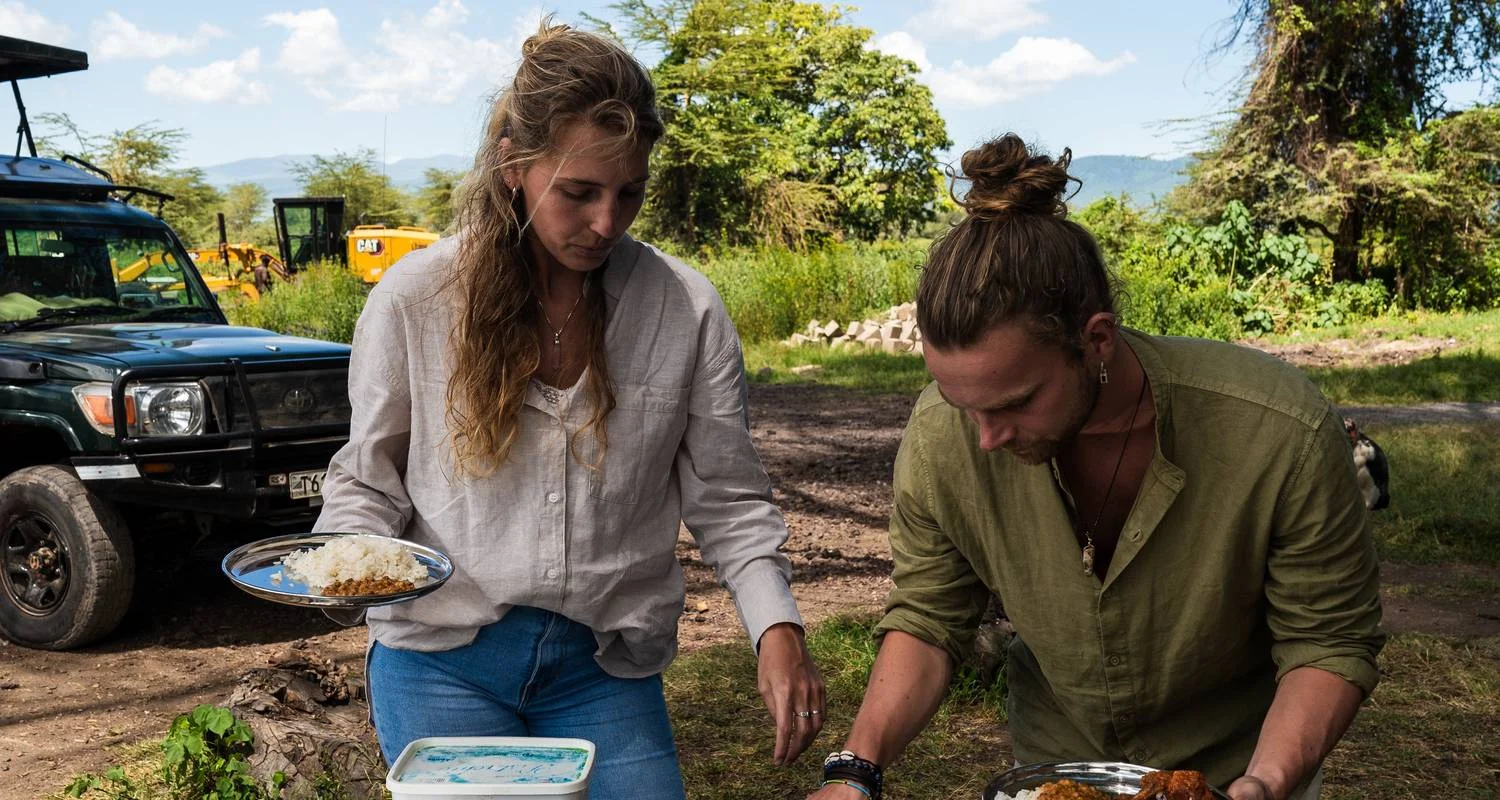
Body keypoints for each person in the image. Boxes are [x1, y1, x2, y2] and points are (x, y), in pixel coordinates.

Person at [313, 22, 824, 797]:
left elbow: (729, 499)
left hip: (602, 672)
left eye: (630, 194)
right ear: (514, 166)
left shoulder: (685, 310)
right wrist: (343, 566)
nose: (607, 224)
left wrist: (776, 627)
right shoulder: (417, 300)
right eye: (580, 193)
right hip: (441, 664)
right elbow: (369, 479)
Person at [807, 134, 1383, 800]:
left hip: (1242, 764)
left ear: (1097, 340)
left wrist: (1265, 782)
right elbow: (928, 616)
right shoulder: (942, 438)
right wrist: (855, 772)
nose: (986, 438)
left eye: (1016, 402)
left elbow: (1328, 640)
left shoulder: (1279, 428)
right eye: (963, 404)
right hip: (1055, 768)